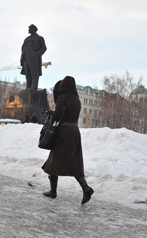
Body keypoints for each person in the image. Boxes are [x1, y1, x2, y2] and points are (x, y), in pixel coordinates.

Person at [42, 76, 94, 204]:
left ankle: (53, 191)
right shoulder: (77, 100)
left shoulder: (62, 98)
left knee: (53, 161)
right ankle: (86, 188)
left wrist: (50, 113)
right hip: (75, 133)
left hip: (63, 134)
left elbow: (59, 115)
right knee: (75, 163)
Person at [20, 24, 47, 90]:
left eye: (30, 28)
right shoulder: (27, 39)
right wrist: (23, 57)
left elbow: (44, 48)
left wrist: (36, 54)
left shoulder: (39, 38)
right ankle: (28, 86)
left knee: (34, 73)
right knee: (27, 73)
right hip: (26, 58)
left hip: (34, 59)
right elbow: (23, 48)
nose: (28, 30)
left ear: (33, 29)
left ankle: (34, 87)